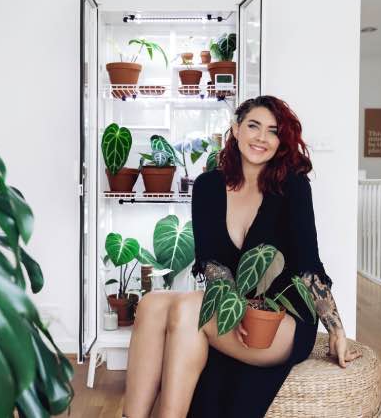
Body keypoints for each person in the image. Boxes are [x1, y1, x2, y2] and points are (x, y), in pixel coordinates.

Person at [122, 95, 362, 418]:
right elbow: (211, 262)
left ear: (281, 140)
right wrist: (232, 310)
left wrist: (336, 329)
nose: (262, 137)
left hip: (281, 318)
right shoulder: (208, 186)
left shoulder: (292, 187)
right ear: (235, 129)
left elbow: (308, 267)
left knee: (190, 309)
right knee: (152, 305)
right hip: (235, 305)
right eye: (253, 126)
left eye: (273, 131)